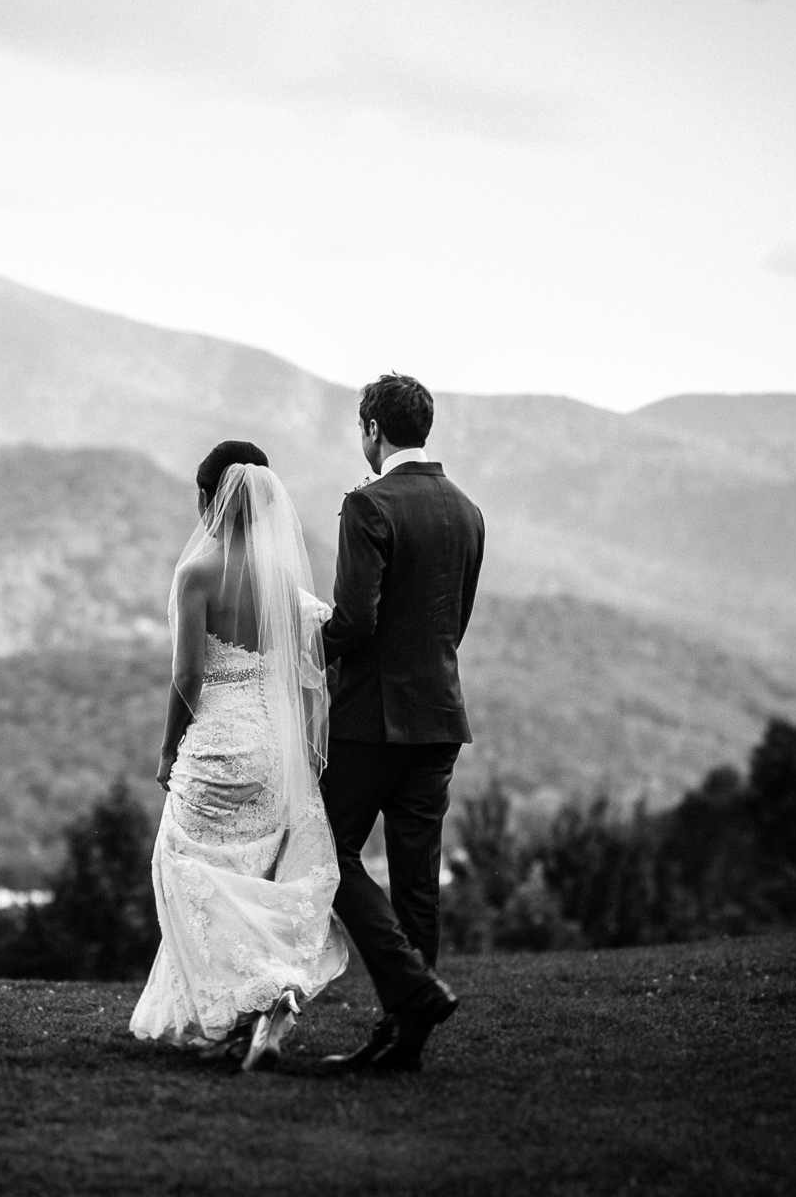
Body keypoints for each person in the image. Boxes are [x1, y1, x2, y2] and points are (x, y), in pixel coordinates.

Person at [129, 441, 349, 1072]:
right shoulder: (282, 579)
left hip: (220, 743)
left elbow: (188, 678)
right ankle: (252, 1012)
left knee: (181, 866)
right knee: (249, 881)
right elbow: (304, 667)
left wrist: (170, 748)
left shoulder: (197, 574)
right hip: (275, 752)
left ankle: (258, 993)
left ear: (208, 499)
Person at [318, 373, 485, 1073]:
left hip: (369, 719)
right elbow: (456, 624)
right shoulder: (468, 511)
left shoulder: (368, 507)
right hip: (439, 716)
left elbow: (355, 622)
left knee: (326, 854)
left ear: (373, 430)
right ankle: (404, 1041)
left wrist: (304, 648)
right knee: (417, 879)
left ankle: (413, 992)